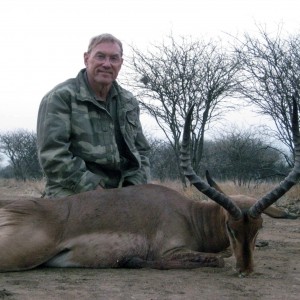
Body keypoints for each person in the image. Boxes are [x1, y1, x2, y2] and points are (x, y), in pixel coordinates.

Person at [37, 33, 151, 198]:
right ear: (86, 58)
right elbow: (52, 155)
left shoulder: (129, 102)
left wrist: (133, 187)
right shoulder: (60, 97)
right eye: (100, 56)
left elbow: (142, 152)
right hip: (72, 188)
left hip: (123, 190)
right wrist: (96, 191)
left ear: (120, 63)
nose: (106, 64)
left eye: (113, 58)